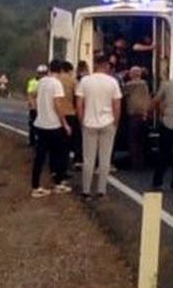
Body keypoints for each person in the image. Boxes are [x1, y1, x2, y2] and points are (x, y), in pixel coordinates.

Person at [76, 56, 123, 198]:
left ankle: (86, 190)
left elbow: (79, 104)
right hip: (107, 122)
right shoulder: (112, 82)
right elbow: (117, 105)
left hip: (89, 122)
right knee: (105, 159)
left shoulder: (85, 81)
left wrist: (81, 121)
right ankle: (101, 190)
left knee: (88, 159)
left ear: (95, 65)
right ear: (106, 66)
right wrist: (115, 122)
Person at [30, 61, 72, 197]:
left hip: (40, 124)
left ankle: (35, 186)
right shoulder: (56, 83)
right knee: (60, 154)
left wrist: (37, 109)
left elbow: (32, 94)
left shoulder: (41, 81)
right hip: (54, 125)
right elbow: (57, 105)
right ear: (59, 71)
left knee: (40, 156)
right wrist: (65, 123)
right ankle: (58, 183)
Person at [122, 66, 152, 169]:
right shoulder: (145, 85)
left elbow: (122, 94)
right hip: (143, 114)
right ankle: (141, 161)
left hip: (133, 115)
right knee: (142, 139)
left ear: (132, 74)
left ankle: (134, 162)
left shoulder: (129, 85)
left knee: (133, 140)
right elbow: (148, 98)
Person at [54, 60, 81, 169]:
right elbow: (78, 98)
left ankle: (56, 163)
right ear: (70, 70)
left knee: (58, 141)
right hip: (70, 113)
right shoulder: (73, 81)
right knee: (72, 139)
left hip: (56, 114)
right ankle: (74, 162)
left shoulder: (55, 80)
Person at [26, 64, 47, 147]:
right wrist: (32, 105)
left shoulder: (48, 82)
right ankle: (32, 141)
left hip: (44, 107)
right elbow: (30, 94)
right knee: (32, 124)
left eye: (43, 73)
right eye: (40, 73)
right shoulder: (33, 82)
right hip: (35, 107)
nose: (42, 75)